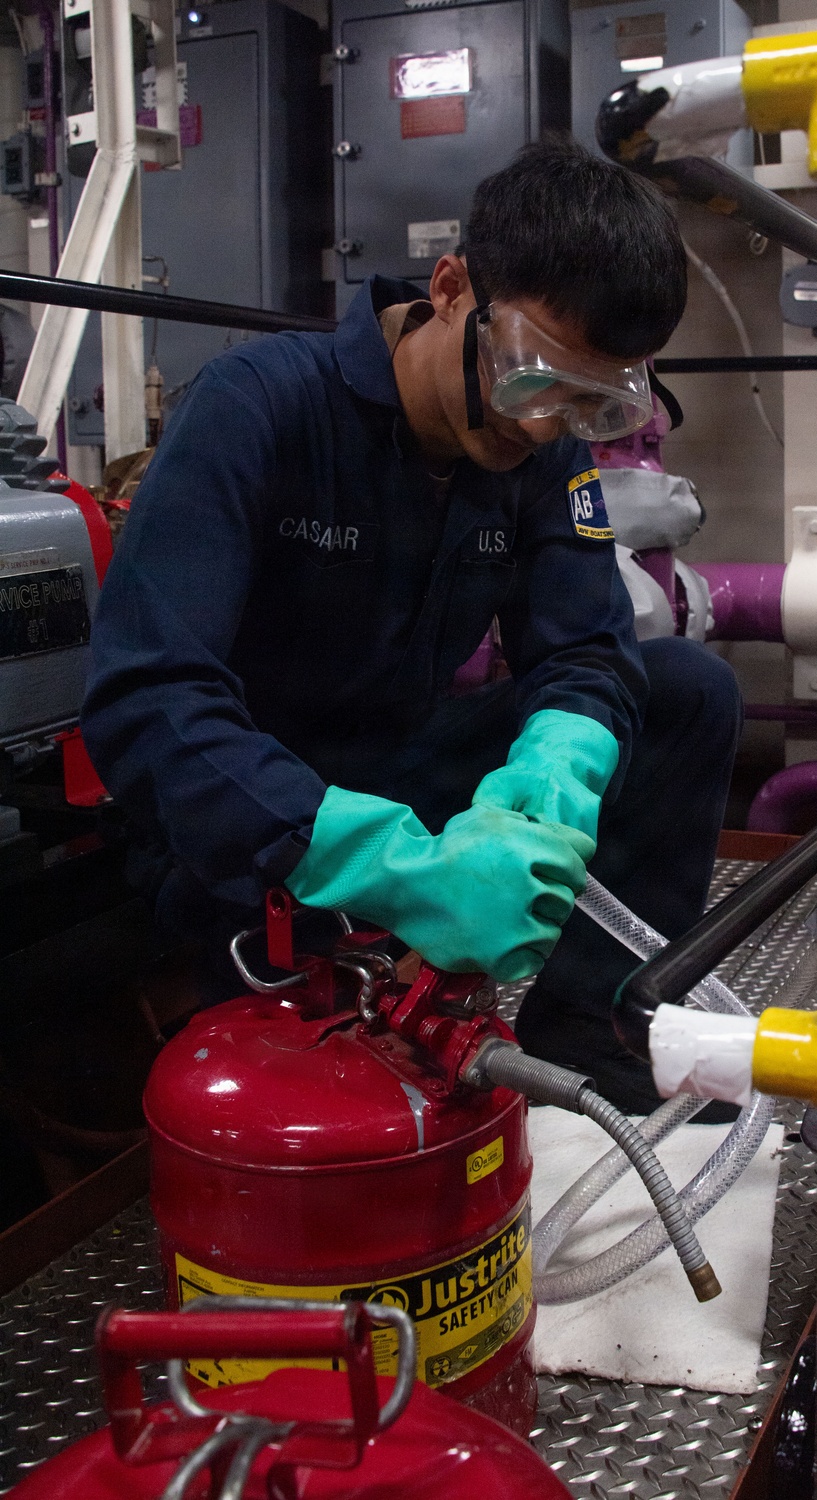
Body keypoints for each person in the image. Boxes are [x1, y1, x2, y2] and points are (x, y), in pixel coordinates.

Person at [81, 138, 741, 1114]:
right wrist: (372, 856)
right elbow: (149, 699)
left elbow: (588, 652)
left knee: (687, 691)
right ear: (448, 287)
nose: (544, 423)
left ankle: (588, 1029)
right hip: (244, 807)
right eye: (534, 378)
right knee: (286, 1048)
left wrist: (547, 789)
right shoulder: (257, 408)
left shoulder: (539, 447)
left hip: (402, 768)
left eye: (588, 400)